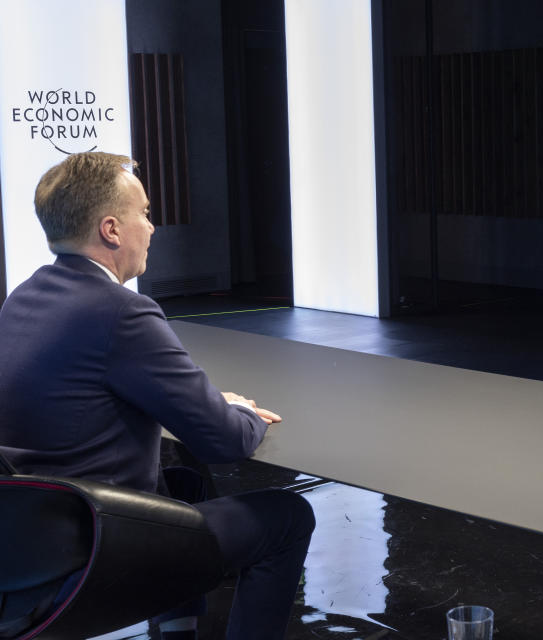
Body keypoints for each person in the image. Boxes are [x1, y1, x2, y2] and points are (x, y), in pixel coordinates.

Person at [0, 152, 315, 640]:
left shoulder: (22, 297)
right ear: (111, 230)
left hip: (27, 542)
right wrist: (239, 410)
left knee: (184, 485)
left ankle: (177, 632)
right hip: (95, 545)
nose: (153, 227)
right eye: (144, 213)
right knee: (288, 516)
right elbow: (226, 441)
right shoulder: (121, 313)